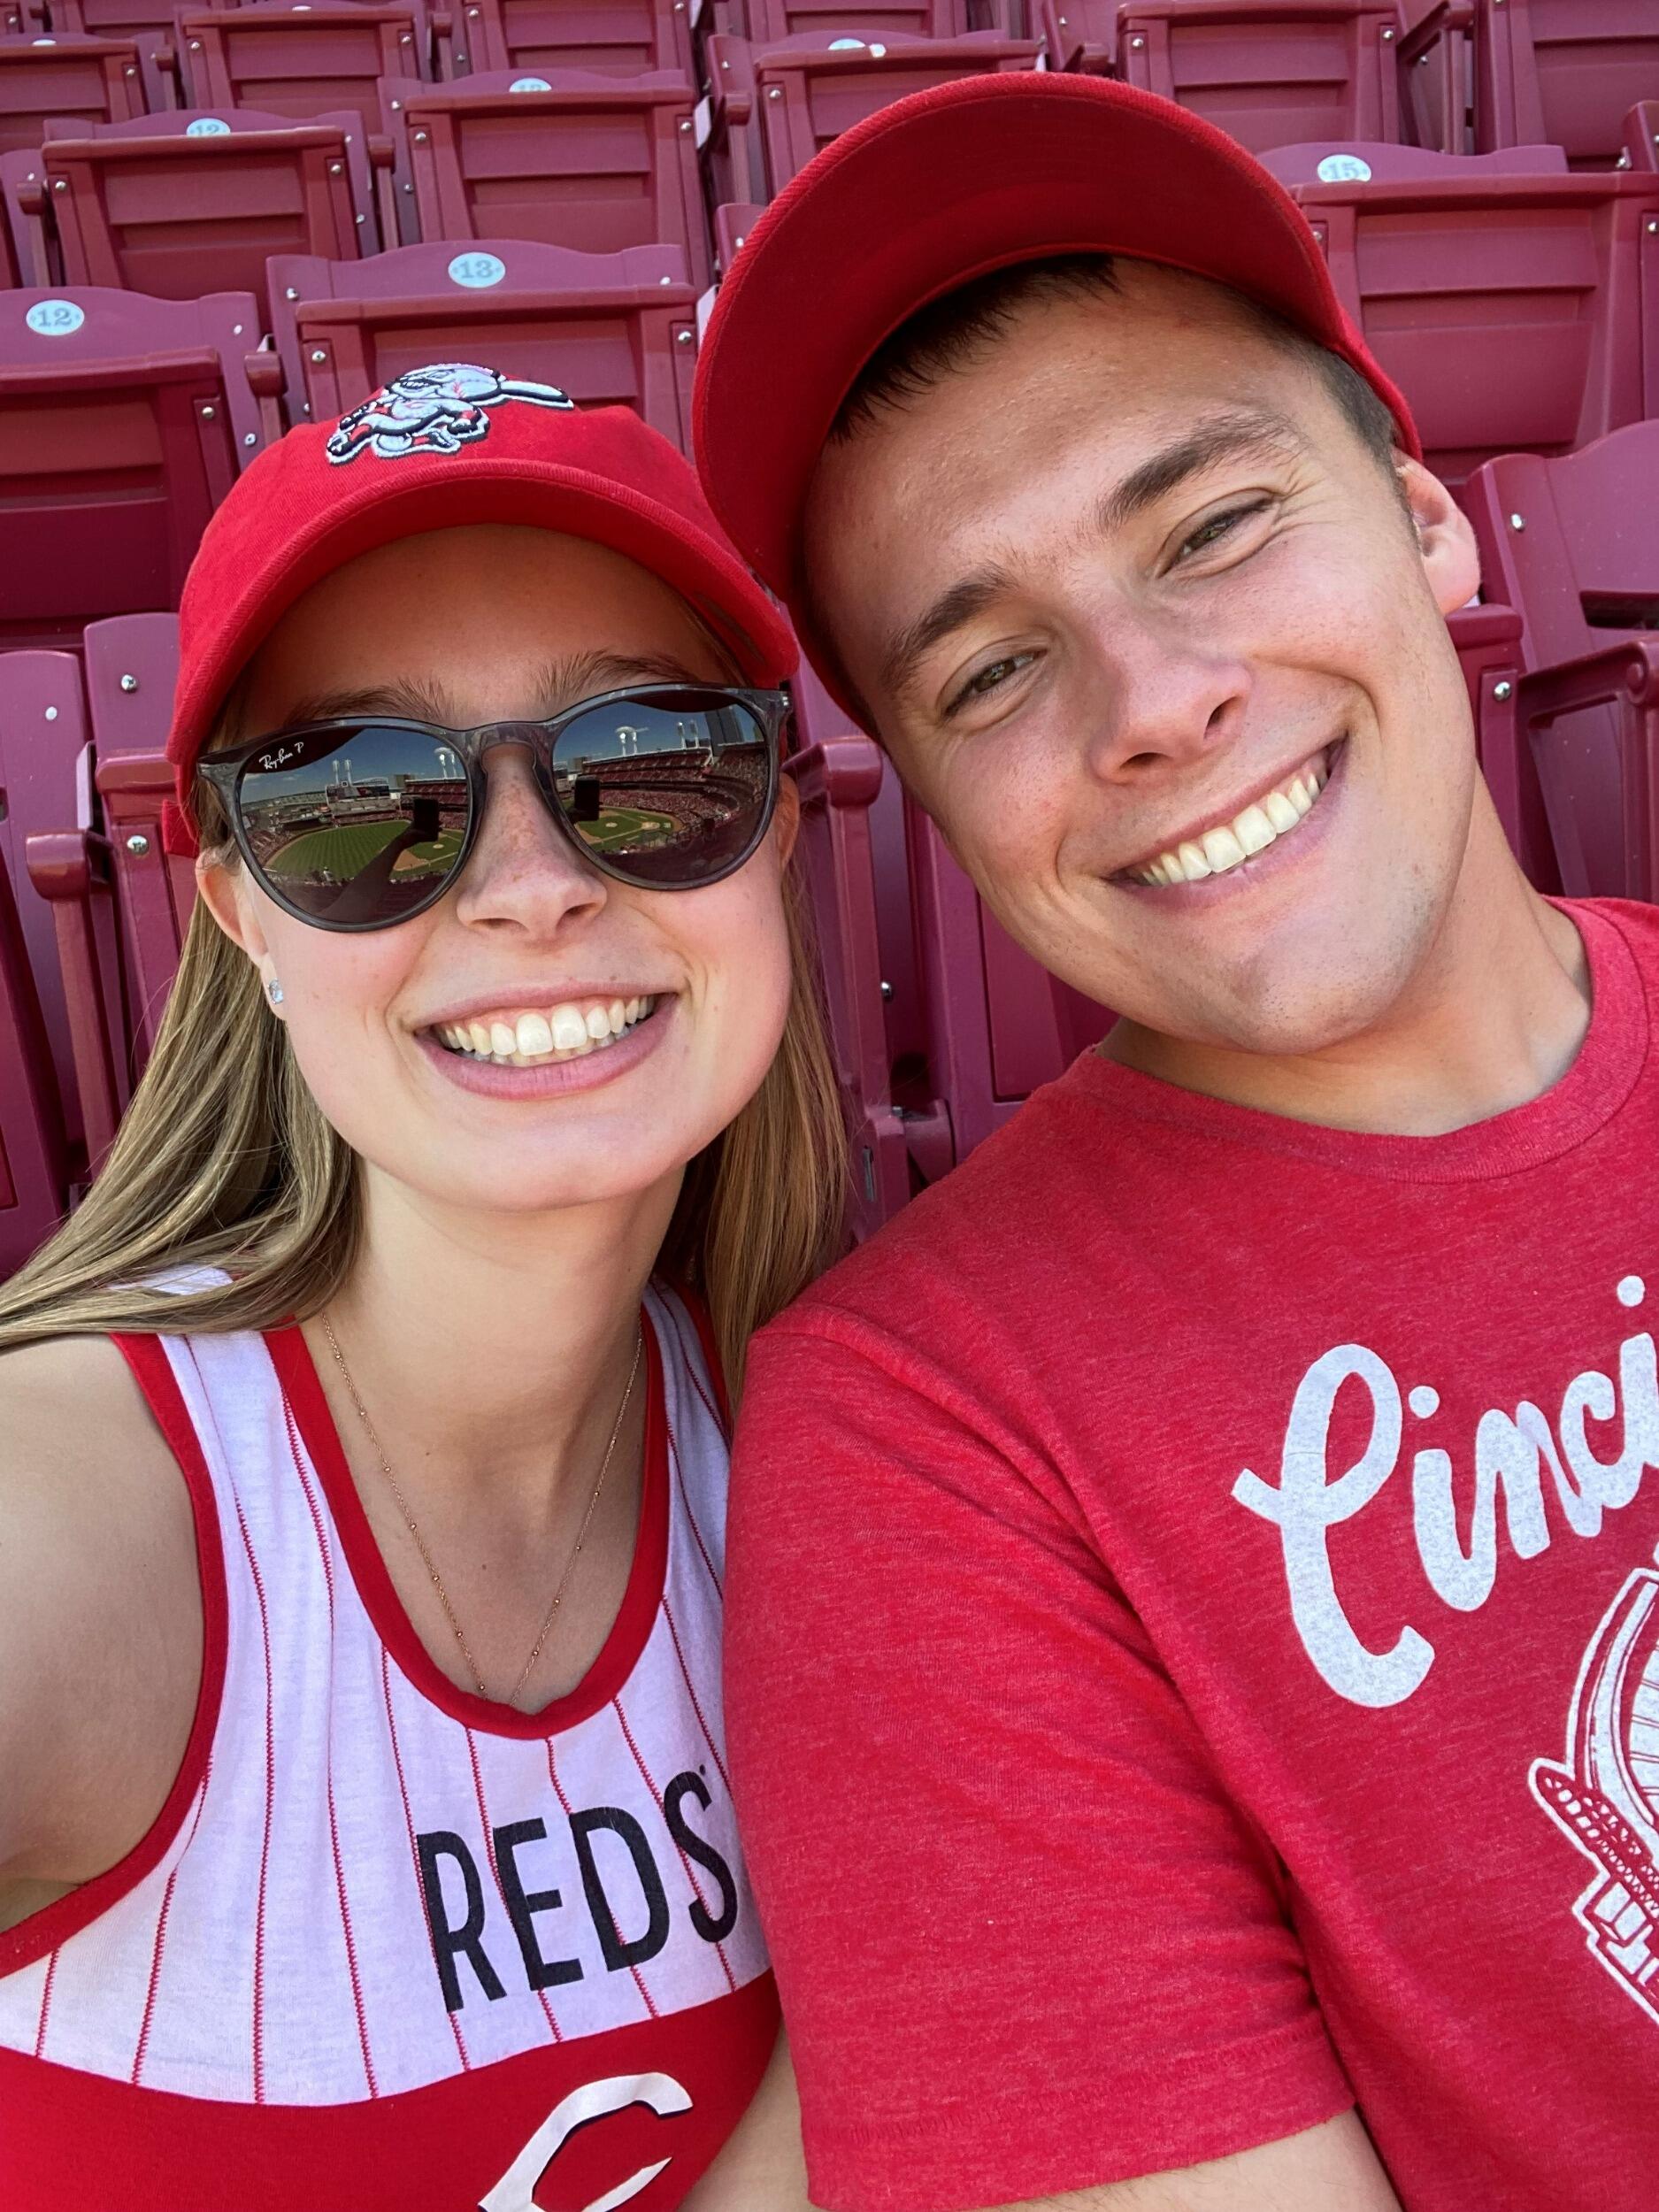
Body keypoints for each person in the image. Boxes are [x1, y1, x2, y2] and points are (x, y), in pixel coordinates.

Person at [693, 73, 1659, 2212]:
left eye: (1212, 528)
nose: (1142, 697)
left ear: (1425, 517)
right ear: (931, 808)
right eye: (988, 668)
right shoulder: (924, 1438)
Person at [0, 367, 843, 2209]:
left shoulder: (856, 1465)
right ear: (237, 909)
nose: (530, 884)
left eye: (647, 767)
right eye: (357, 802)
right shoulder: (72, 1508)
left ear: (775, 823)